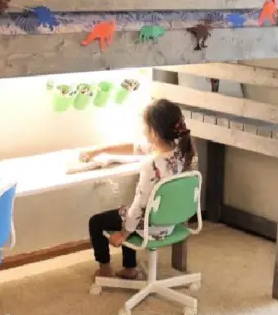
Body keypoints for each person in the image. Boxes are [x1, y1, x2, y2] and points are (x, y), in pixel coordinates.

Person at [83, 99, 195, 280]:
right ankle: (130, 268)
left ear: (154, 132)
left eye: (144, 126)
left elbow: (138, 208)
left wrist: (123, 234)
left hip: (152, 226)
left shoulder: (151, 165)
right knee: (126, 212)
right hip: (171, 220)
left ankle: (104, 269)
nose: (142, 130)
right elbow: (134, 147)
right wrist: (99, 150)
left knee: (97, 221)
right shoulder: (180, 151)